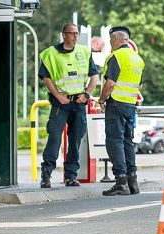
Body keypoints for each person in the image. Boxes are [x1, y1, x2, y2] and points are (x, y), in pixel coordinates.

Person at [37, 23, 100, 188]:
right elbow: (46, 77)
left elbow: (94, 75)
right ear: (64, 34)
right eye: (72, 33)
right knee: (55, 138)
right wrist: (58, 95)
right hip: (60, 103)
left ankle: (71, 176)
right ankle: (46, 174)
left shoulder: (84, 52)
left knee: (75, 140)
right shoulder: (51, 54)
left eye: (77, 33)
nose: (75, 36)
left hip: (79, 103)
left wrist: (86, 93)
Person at [99, 30, 145, 196]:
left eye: (111, 39)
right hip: (129, 105)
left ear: (117, 39)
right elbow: (139, 85)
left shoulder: (116, 57)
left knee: (114, 141)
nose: (110, 42)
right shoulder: (138, 59)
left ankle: (121, 182)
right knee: (127, 141)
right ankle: (133, 182)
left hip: (116, 103)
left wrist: (102, 99)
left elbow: (110, 83)